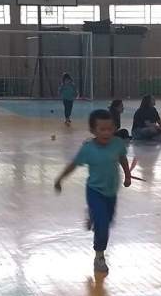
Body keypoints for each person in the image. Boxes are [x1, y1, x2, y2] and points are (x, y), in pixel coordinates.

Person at [53, 108, 133, 275]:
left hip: (111, 191)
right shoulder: (88, 149)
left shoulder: (118, 144)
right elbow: (73, 165)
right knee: (102, 226)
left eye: (109, 129)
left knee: (107, 221)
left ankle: (92, 214)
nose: (106, 133)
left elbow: (122, 158)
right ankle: (99, 256)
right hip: (95, 191)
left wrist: (127, 175)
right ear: (93, 130)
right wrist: (60, 179)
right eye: (102, 129)